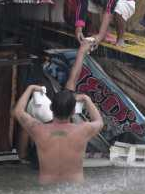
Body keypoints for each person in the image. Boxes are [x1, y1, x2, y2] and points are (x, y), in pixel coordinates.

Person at [12, 41, 103, 184]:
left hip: (46, 189)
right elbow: (99, 122)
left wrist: (30, 89)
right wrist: (87, 99)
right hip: (74, 190)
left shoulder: (38, 130)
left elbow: (18, 111)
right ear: (73, 111)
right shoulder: (84, 129)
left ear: (51, 108)